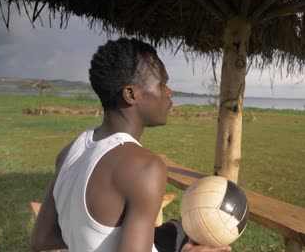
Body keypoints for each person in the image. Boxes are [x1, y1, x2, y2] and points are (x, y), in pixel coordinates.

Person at [30, 38, 231, 252]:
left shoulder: (69, 151)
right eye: (162, 84)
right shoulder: (145, 167)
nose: (169, 92)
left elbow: (41, 239)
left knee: (178, 230)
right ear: (131, 94)